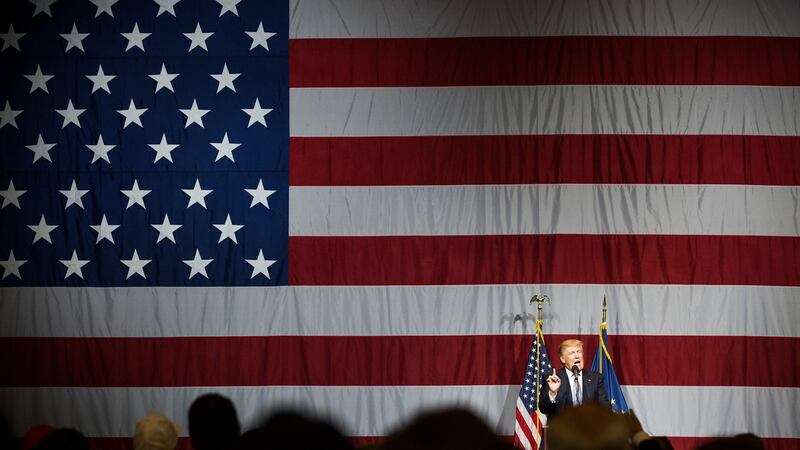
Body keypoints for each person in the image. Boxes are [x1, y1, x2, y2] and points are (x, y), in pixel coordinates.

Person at [538, 339, 609, 418]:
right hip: (561, 428)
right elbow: (543, 409)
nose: (577, 356)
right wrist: (552, 393)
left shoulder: (596, 378)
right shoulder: (553, 378)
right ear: (562, 359)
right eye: (572, 353)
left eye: (579, 352)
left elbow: (605, 407)